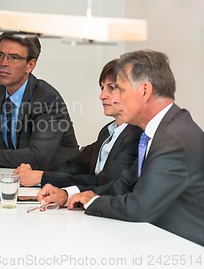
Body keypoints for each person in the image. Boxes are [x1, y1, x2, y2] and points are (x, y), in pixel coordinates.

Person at [37, 50, 204, 246]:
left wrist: (91, 201)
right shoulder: (161, 130)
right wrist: (69, 195)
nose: (115, 99)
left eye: (120, 90)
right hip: (156, 240)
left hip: (187, 251)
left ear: (144, 91)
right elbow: (121, 186)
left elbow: (138, 207)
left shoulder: (173, 139)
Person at [14, 59, 142, 188]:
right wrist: (34, 174)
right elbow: (75, 166)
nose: (102, 95)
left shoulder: (138, 134)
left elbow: (106, 182)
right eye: (102, 88)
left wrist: (41, 178)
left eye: (112, 88)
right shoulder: (107, 131)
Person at [0, 31, 79, 169]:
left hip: (56, 182)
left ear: (30, 65)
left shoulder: (47, 99)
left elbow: (37, 158)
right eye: (0, 55)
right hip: (14, 179)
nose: (4, 63)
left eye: (14, 57)